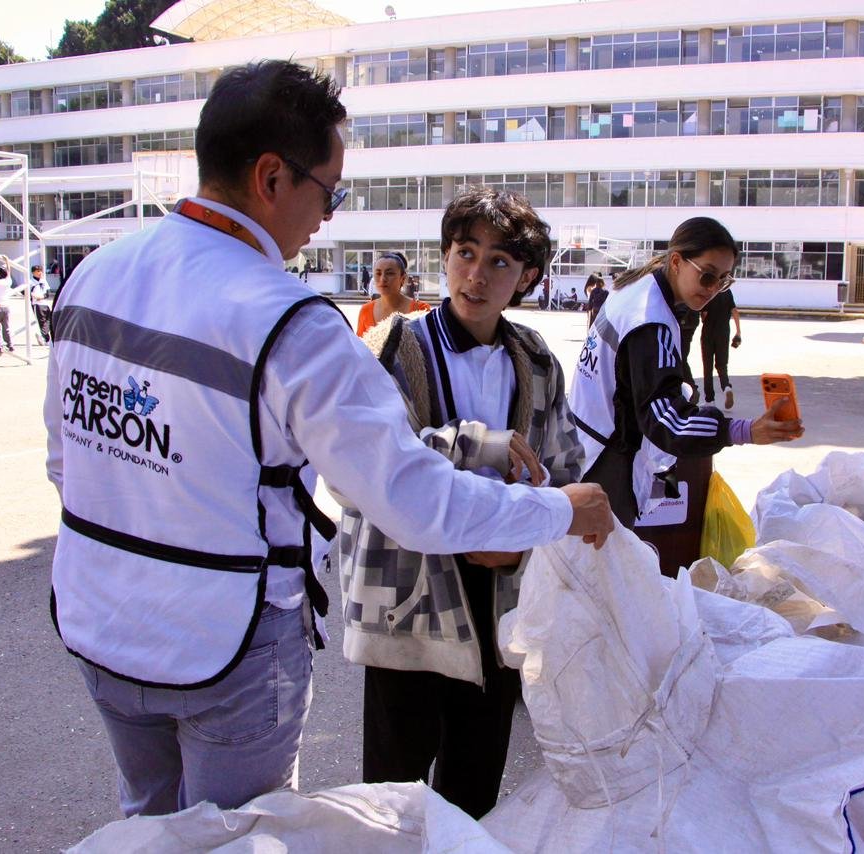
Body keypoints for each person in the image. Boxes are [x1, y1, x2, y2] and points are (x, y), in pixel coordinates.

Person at [43, 59, 613, 821]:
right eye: (330, 190)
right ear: (273, 177)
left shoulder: (93, 273)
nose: (329, 215)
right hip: (223, 639)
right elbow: (410, 499)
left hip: (98, 618)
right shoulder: (291, 322)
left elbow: (64, 457)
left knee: (148, 823)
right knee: (238, 835)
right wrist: (561, 511)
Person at [341, 187, 584, 819]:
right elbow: (364, 469)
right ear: (445, 256)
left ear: (528, 275)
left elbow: (561, 466)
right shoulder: (394, 348)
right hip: (409, 599)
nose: (476, 274)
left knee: (476, 780)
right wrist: (480, 449)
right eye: (464, 252)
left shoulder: (535, 360)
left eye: (499, 261)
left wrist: (521, 543)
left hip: (499, 594)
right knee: (393, 792)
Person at [570, 216, 804, 527]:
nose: (713, 290)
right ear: (677, 262)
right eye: (708, 277)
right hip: (607, 462)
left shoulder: (638, 286)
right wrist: (745, 431)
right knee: (604, 567)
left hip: (583, 442)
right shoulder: (651, 322)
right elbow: (669, 424)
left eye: (723, 281)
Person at [354, 251, 430, 336]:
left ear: (403, 278)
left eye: (389, 273)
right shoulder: (365, 311)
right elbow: (359, 346)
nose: (383, 279)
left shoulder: (421, 310)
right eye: (378, 273)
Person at [700, 286, 741, 408]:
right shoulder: (727, 292)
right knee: (722, 365)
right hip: (723, 333)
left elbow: (704, 314)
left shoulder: (708, 291)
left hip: (708, 333)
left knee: (707, 367)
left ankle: (710, 400)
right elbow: (735, 311)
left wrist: (704, 318)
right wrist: (738, 332)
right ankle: (726, 387)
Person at [29, 265, 53, 344]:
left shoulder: (43, 281)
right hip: (37, 305)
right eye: (38, 271)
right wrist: (34, 296)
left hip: (45, 304)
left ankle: (40, 335)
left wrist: (41, 297)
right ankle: (46, 339)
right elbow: (27, 293)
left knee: (50, 320)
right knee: (42, 322)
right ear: (33, 272)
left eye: (40, 271)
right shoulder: (31, 282)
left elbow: (47, 294)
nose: (40, 273)